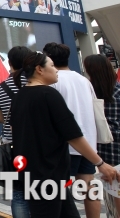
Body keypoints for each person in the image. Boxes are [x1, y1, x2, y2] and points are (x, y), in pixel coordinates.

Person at [10, 51, 119, 217]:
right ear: (40, 69)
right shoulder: (49, 94)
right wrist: (100, 163)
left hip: (34, 173)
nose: (56, 70)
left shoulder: (20, 96)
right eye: (52, 66)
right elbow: (73, 135)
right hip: (49, 175)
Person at [43, 43, 100, 218]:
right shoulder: (84, 80)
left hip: (65, 145)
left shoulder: (52, 82)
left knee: (59, 190)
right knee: (88, 186)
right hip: (88, 142)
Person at [0, 46, 31, 217]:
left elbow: (0, 119)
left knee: (19, 193)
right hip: (37, 145)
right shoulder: (34, 83)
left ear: (9, 62)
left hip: (12, 147)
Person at [84, 54, 120, 213]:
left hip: (102, 148)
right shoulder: (118, 90)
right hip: (118, 145)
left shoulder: (89, 93)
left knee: (113, 193)